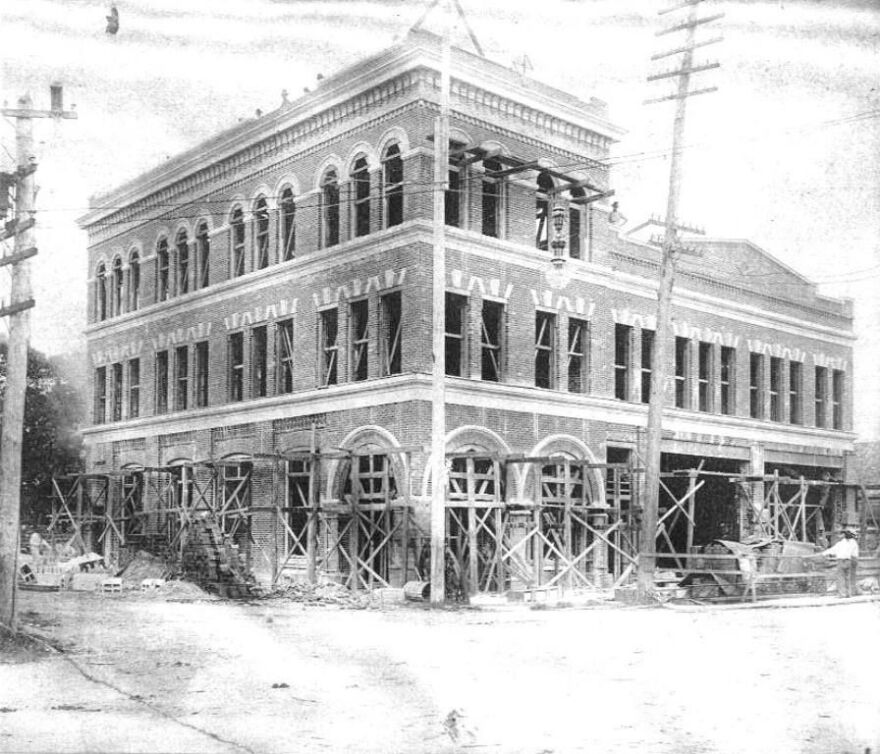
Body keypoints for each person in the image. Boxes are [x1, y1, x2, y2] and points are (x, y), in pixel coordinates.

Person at [820, 528, 859, 598]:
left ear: (844, 535)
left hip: (841, 561)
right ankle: (848, 594)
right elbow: (855, 554)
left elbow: (832, 550)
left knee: (840, 578)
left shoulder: (841, 543)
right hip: (849, 561)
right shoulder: (853, 543)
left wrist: (823, 554)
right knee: (847, 578)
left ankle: (841, 594)